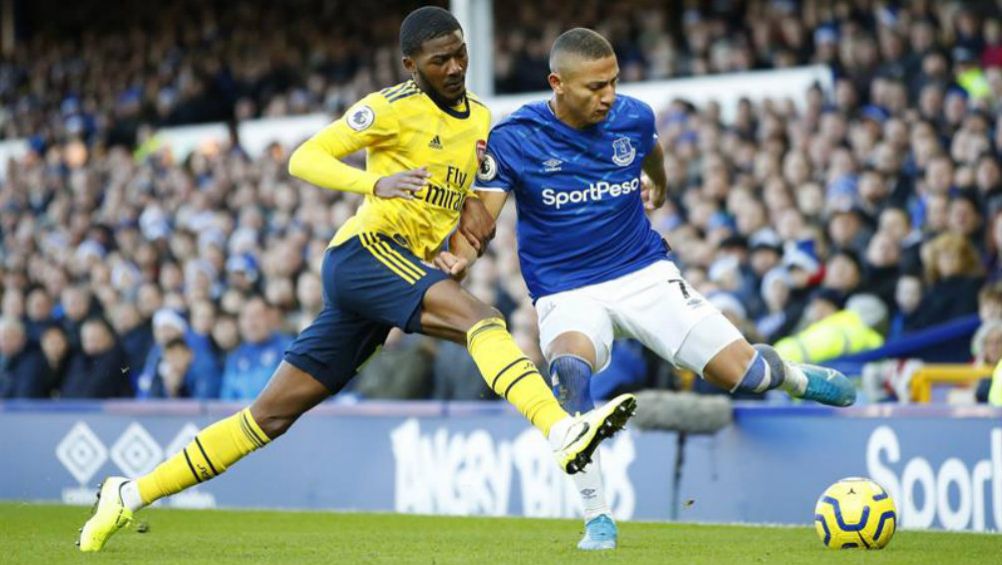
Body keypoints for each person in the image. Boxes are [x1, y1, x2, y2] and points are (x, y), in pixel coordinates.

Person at [78, 8, 635, 552]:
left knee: (267, 417)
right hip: (365, 253)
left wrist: (464, 249)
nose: (455, 67)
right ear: (410, 66)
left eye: (460, 53)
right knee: (481, 321)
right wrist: (373, 184)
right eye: (440, 60)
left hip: (394, 275)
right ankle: (562, 432)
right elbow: (305, 157)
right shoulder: (389, 108)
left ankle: (128, 493)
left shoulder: (481, 121)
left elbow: (465, 204)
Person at [456, 28, 856, 551]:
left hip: (643, 272)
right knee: (569, 373)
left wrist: (659, 185)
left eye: (614, 82)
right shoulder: (516, 138)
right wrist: (460, 255)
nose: (608, 96)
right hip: (566, 289)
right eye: (595, 86)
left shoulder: (633, 115)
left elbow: (652, 150)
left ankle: (797, 378)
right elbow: (483, 214)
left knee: (746, 374)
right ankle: (597, 516)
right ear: (557, 83)